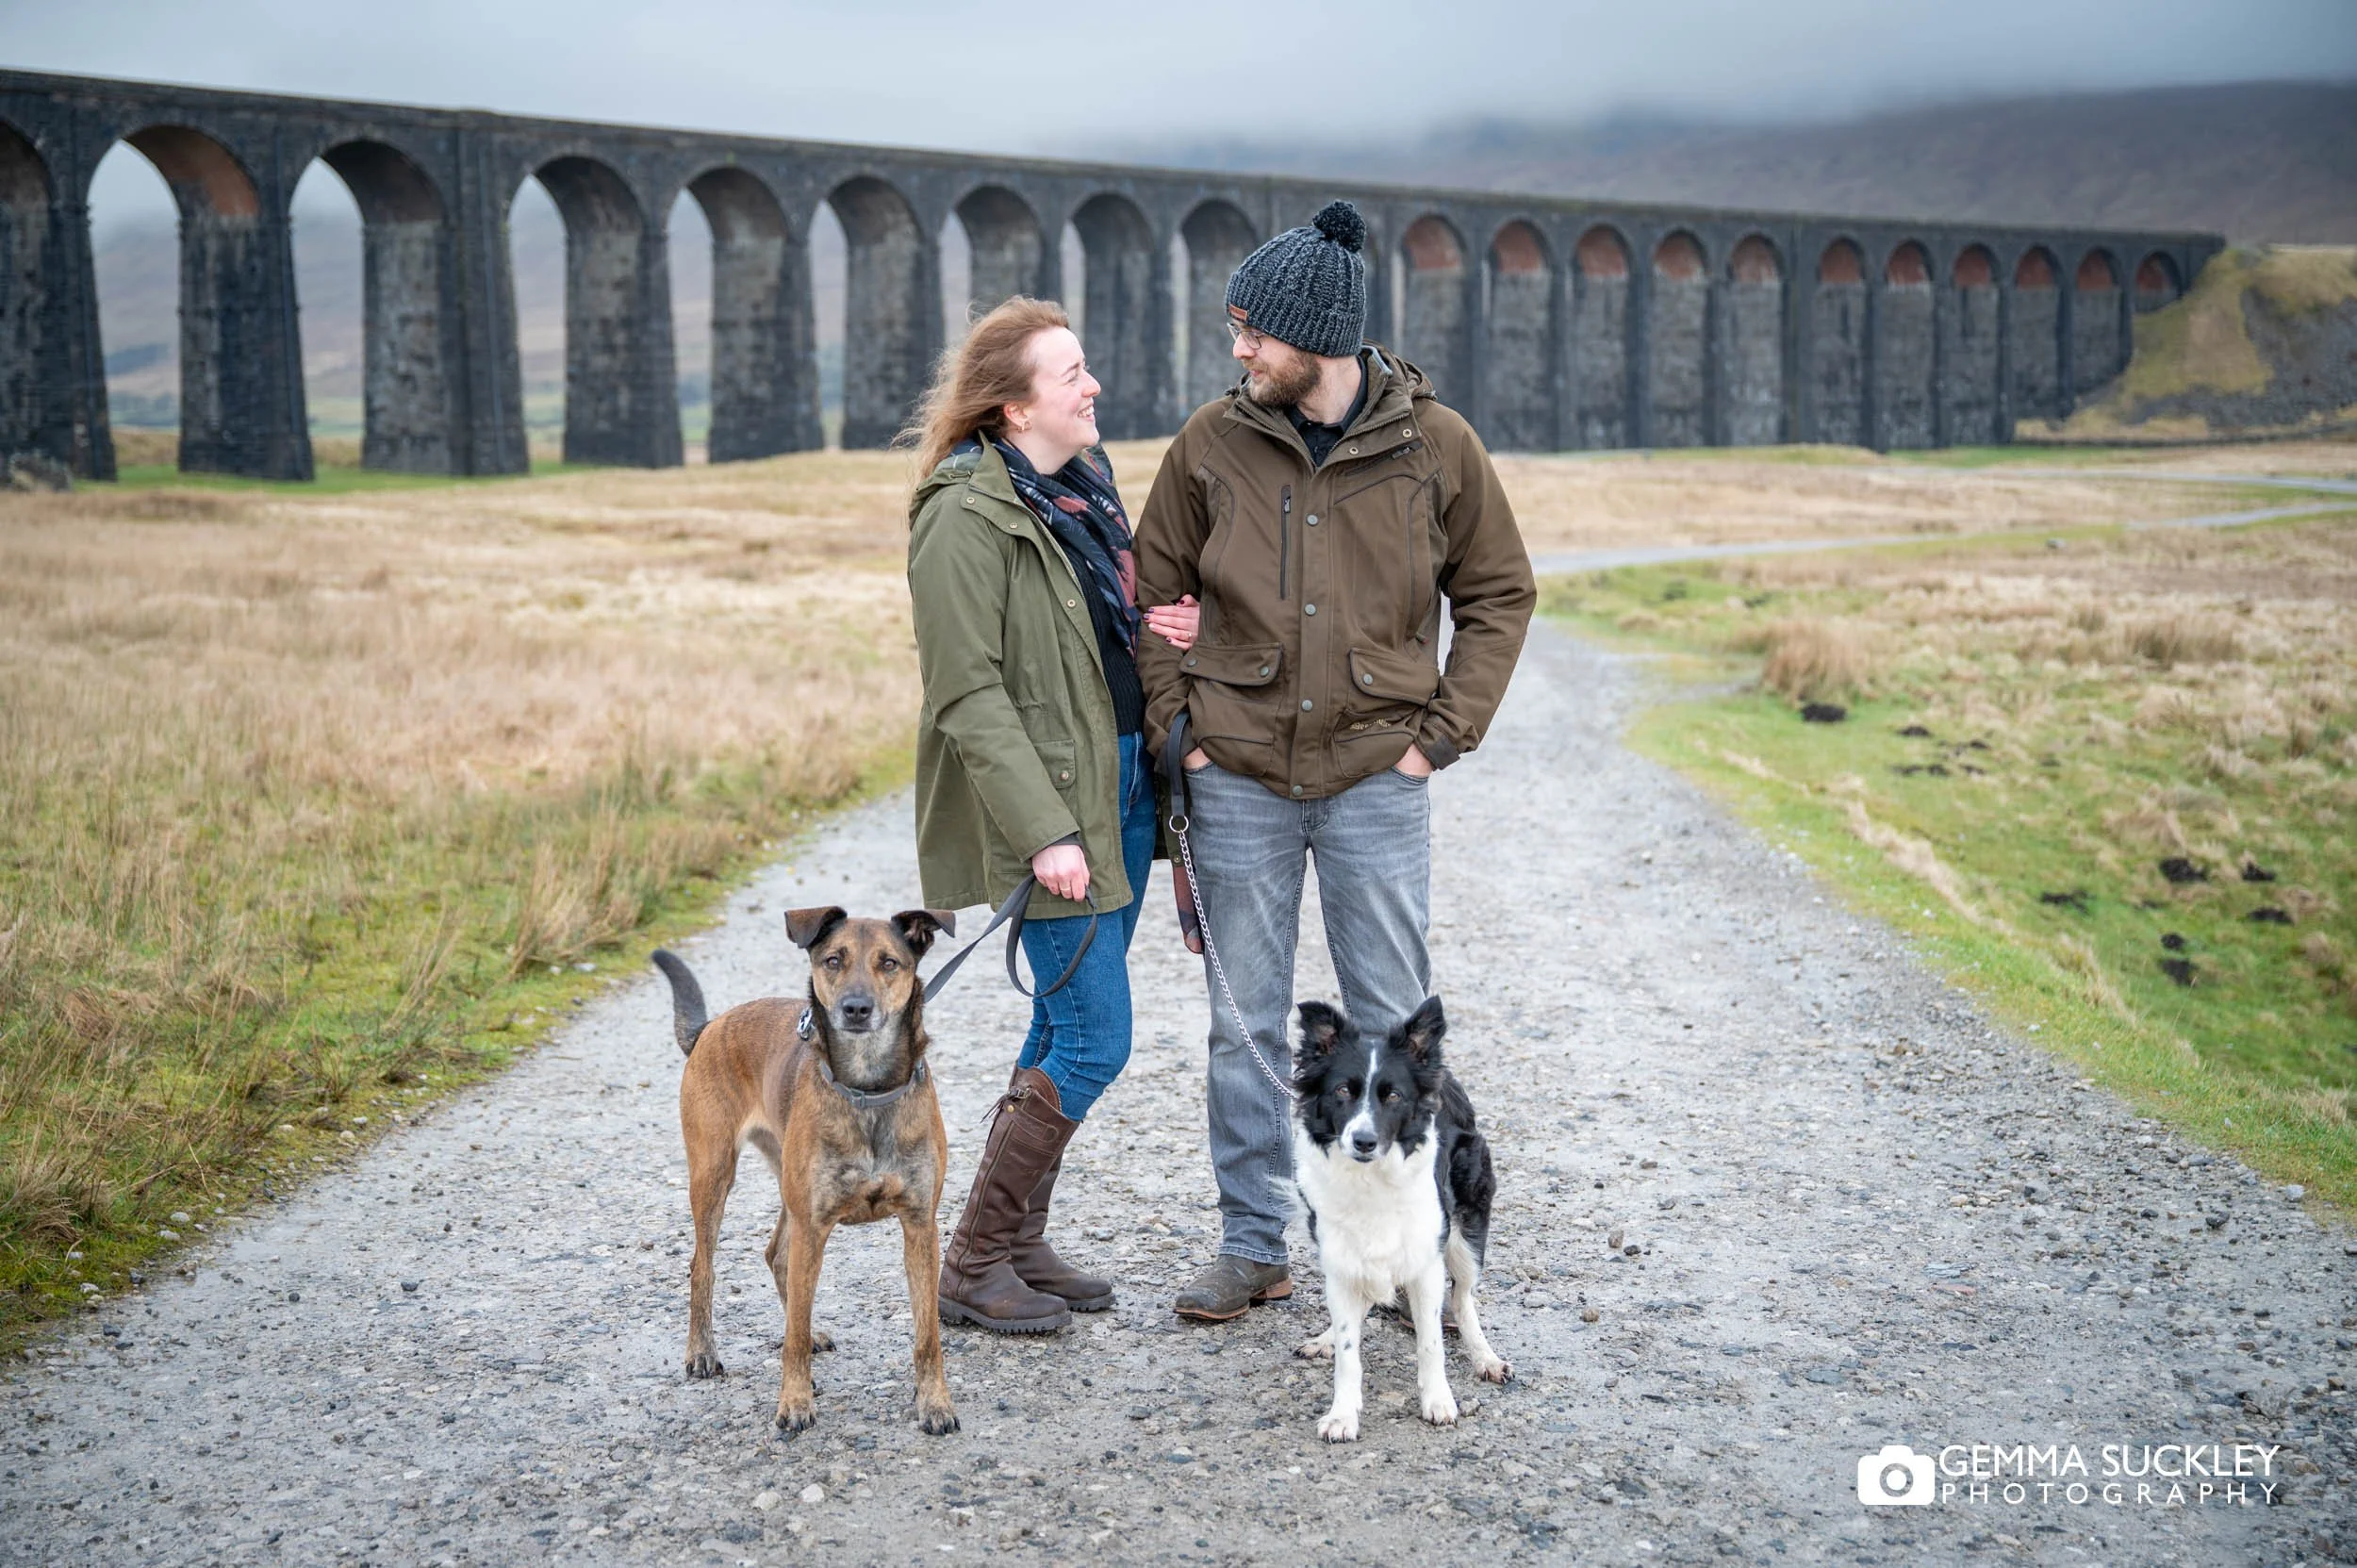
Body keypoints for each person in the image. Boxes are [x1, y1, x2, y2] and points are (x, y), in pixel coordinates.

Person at [1132, 201, 1538, 1322]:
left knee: (1396, 1020)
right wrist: (1185, 730)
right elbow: (1148, 592)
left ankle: (1408, 1254)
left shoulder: (1436, 447)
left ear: (1312, 336)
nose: (1238, 350)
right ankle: (1254, 1243)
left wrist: (1440, 735)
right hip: (1239, 779)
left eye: (1252, 331)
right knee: (1244, 1030)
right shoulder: (1207, 445)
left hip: (1375, 778)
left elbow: (1499, 593)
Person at [904, 297, 1196, 1334]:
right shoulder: (962, 514)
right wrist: (1043, 832)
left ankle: (1015, 1239)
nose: (1093, 387)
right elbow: (967, 691)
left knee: (1056, 1019)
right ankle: (972, 1260)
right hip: (1056, 810)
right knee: (1095, 1035)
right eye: (1071, 372)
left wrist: (1165, 627)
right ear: (1014, 404)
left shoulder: (1081, 490)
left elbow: (1097, 632)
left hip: (1115, 785)